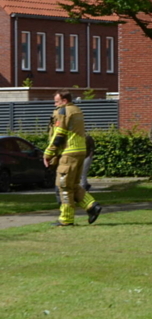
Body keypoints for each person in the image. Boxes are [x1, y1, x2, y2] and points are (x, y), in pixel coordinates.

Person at [44, 91, 102, 226]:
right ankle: (92, 206)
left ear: (64, 100)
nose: (55, 104)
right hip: (80, 151)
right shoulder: (77, 110)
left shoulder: (63, 111)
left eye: (57, 101)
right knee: (73, 184)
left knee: (63, 186)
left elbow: (59, 134)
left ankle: (66, 219)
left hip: (68, 152)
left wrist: (48, 153)